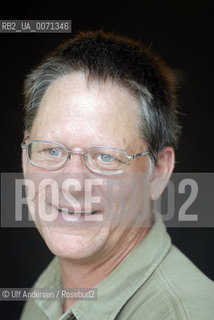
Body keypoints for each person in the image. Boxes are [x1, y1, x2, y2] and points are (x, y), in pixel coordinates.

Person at [20, 30, 214, 320]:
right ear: (25, 156)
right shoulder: (46, 294)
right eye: (51, 150)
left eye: (105, 157)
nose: (72, 183)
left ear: (158, 171)